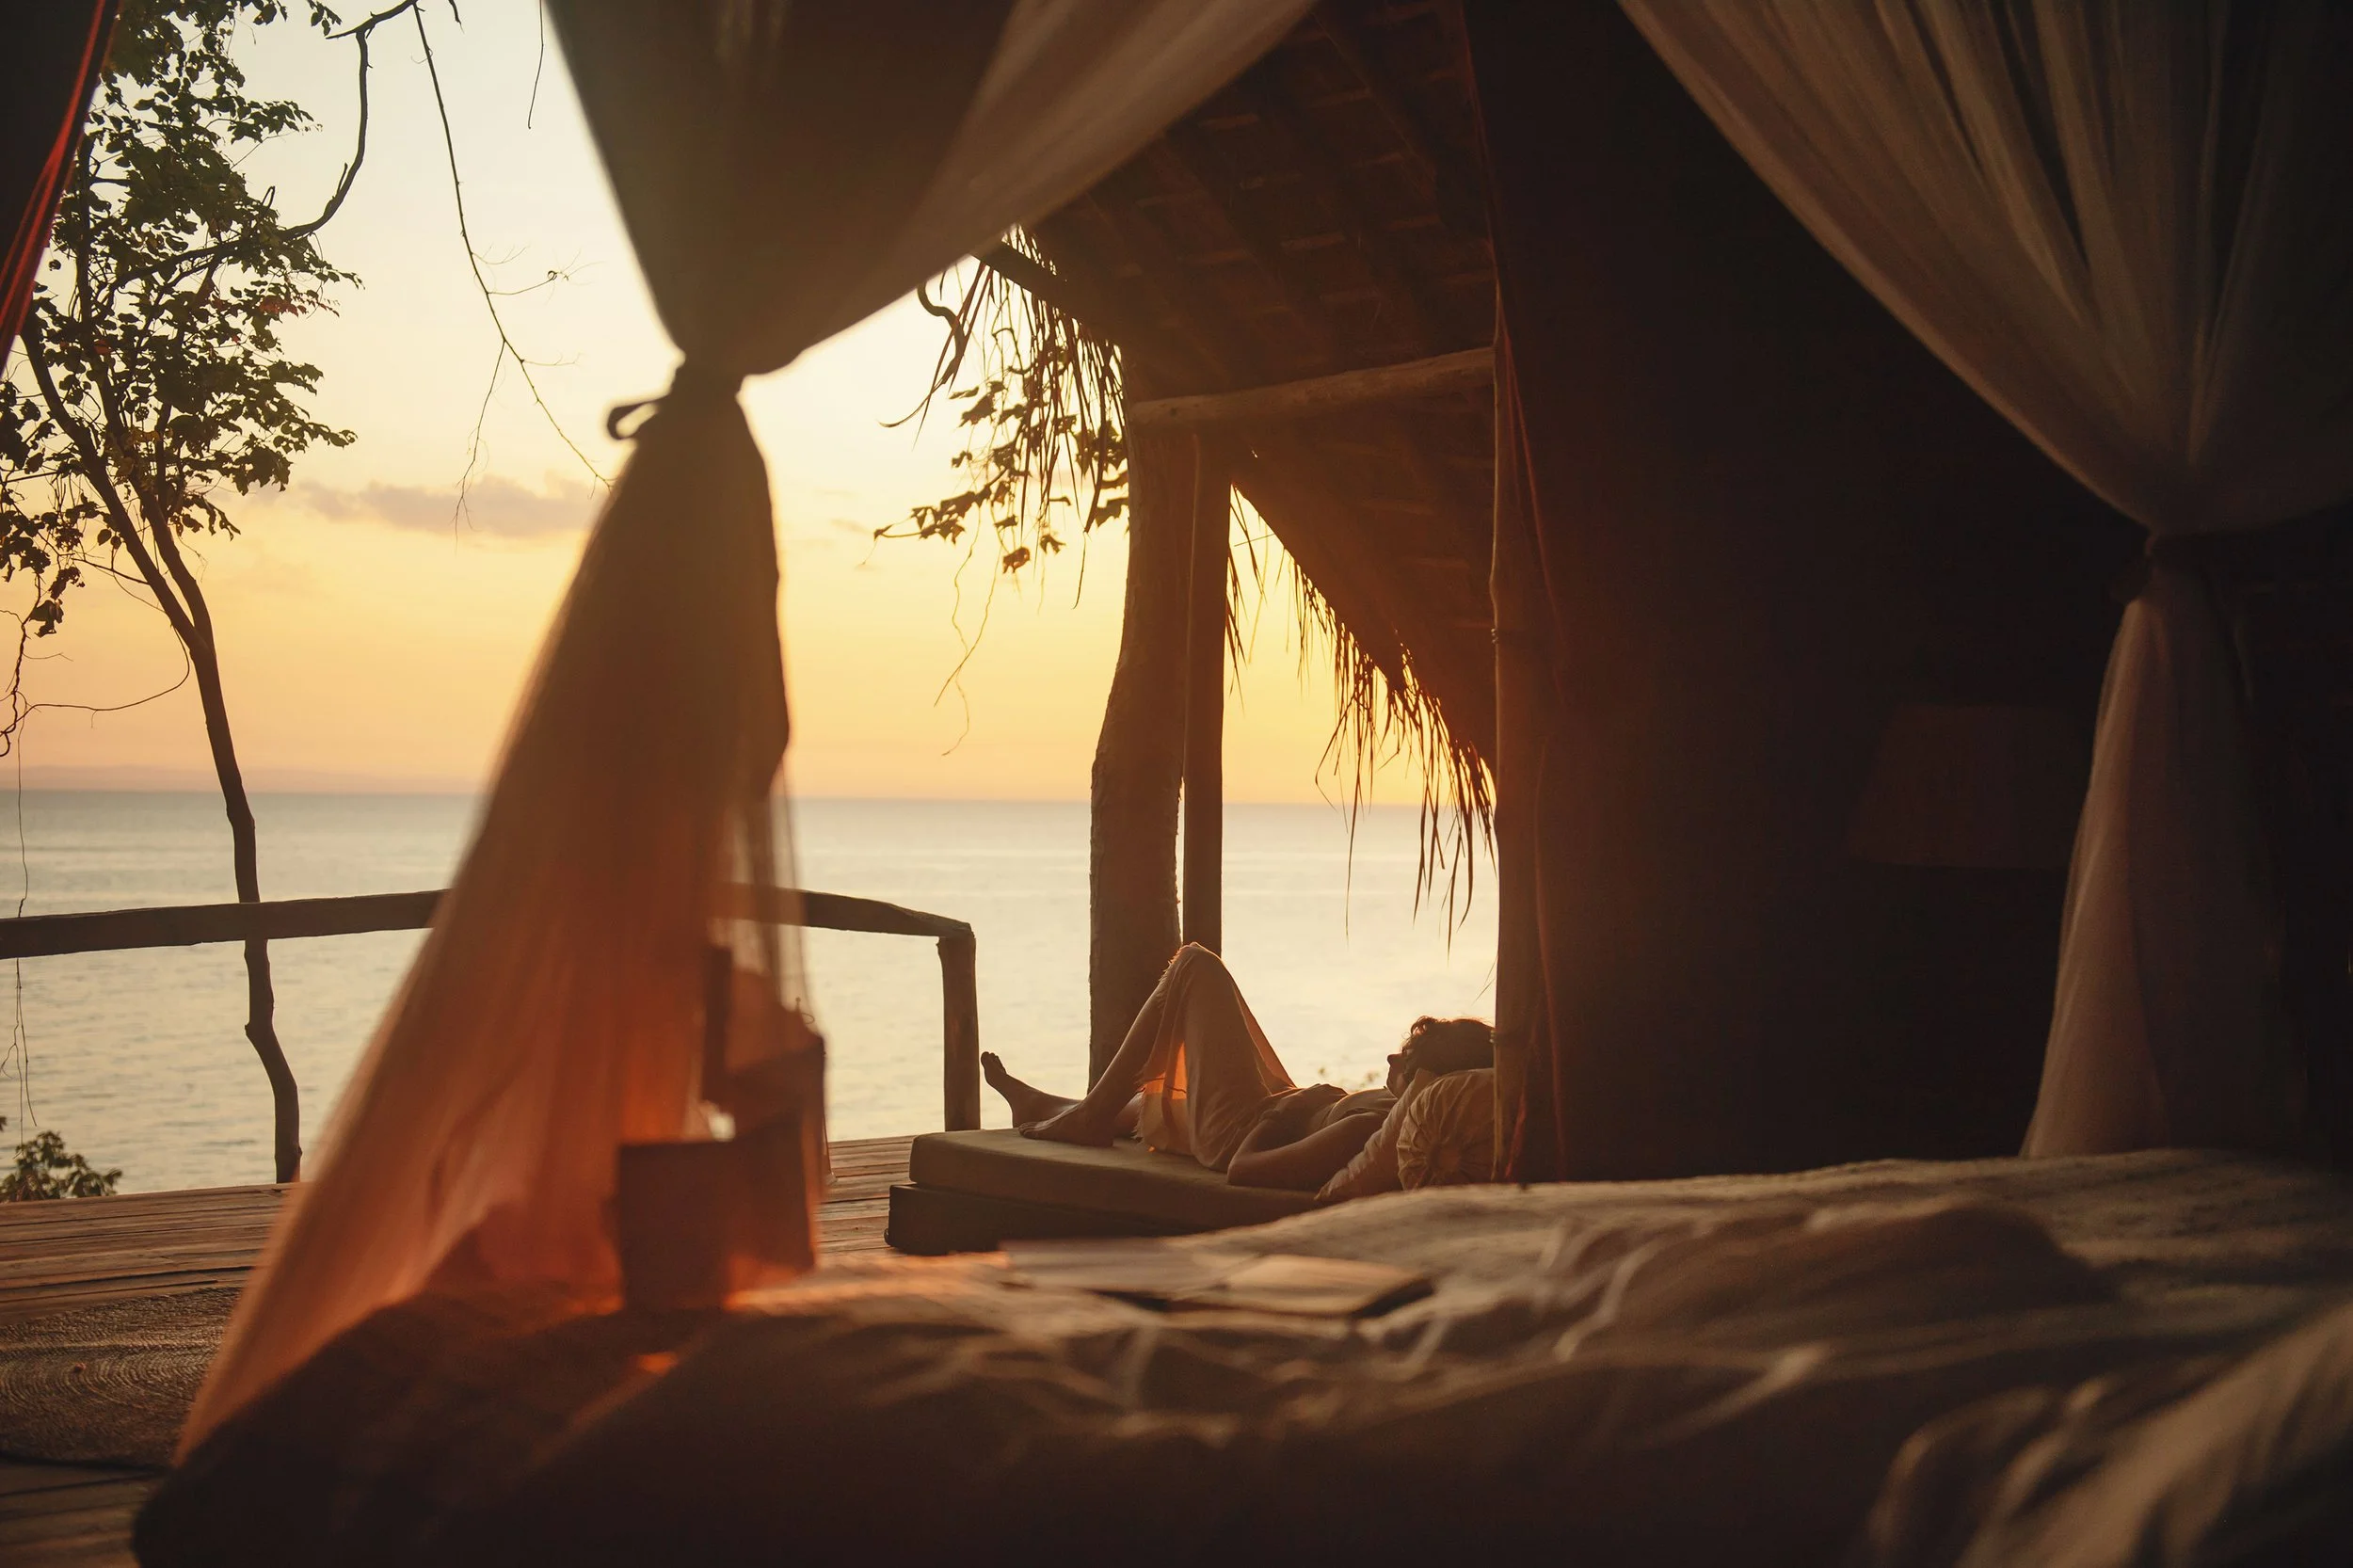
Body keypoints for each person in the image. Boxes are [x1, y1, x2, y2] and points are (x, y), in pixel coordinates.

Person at [982, 944, 1492, 1196]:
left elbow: (1245, 1170)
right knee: (1175, 1095)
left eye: (1408, 1057)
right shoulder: (1390, 1116)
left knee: (1195, 965)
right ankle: (1046, 1105)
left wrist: (1287, 1110)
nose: (1392, 1059)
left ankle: (1091, 1114)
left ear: (1429, 1079)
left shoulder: (1367, 1128)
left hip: (1245, 1130)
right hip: (1279, 1110)